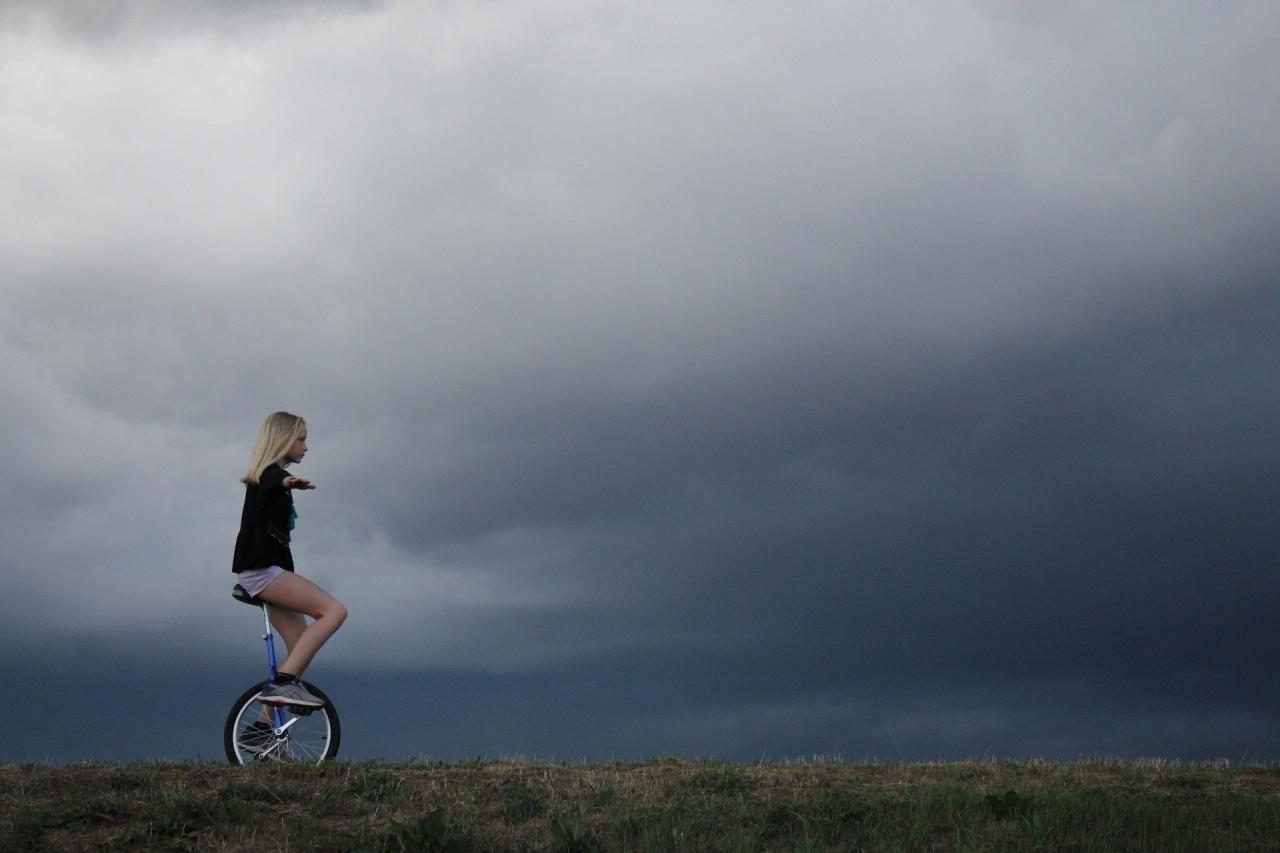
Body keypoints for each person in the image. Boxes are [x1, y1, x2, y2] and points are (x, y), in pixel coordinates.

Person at [232, 411, 348, 708]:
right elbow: (274, 479)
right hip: (262, 572)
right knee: (334, 612)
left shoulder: (271, 477)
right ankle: (282, 684)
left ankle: (261, 733)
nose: (305, 447)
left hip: (267, 571)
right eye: (300, 439)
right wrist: (289, 481)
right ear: (282, 439)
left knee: (300, 646)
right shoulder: (268, 475)